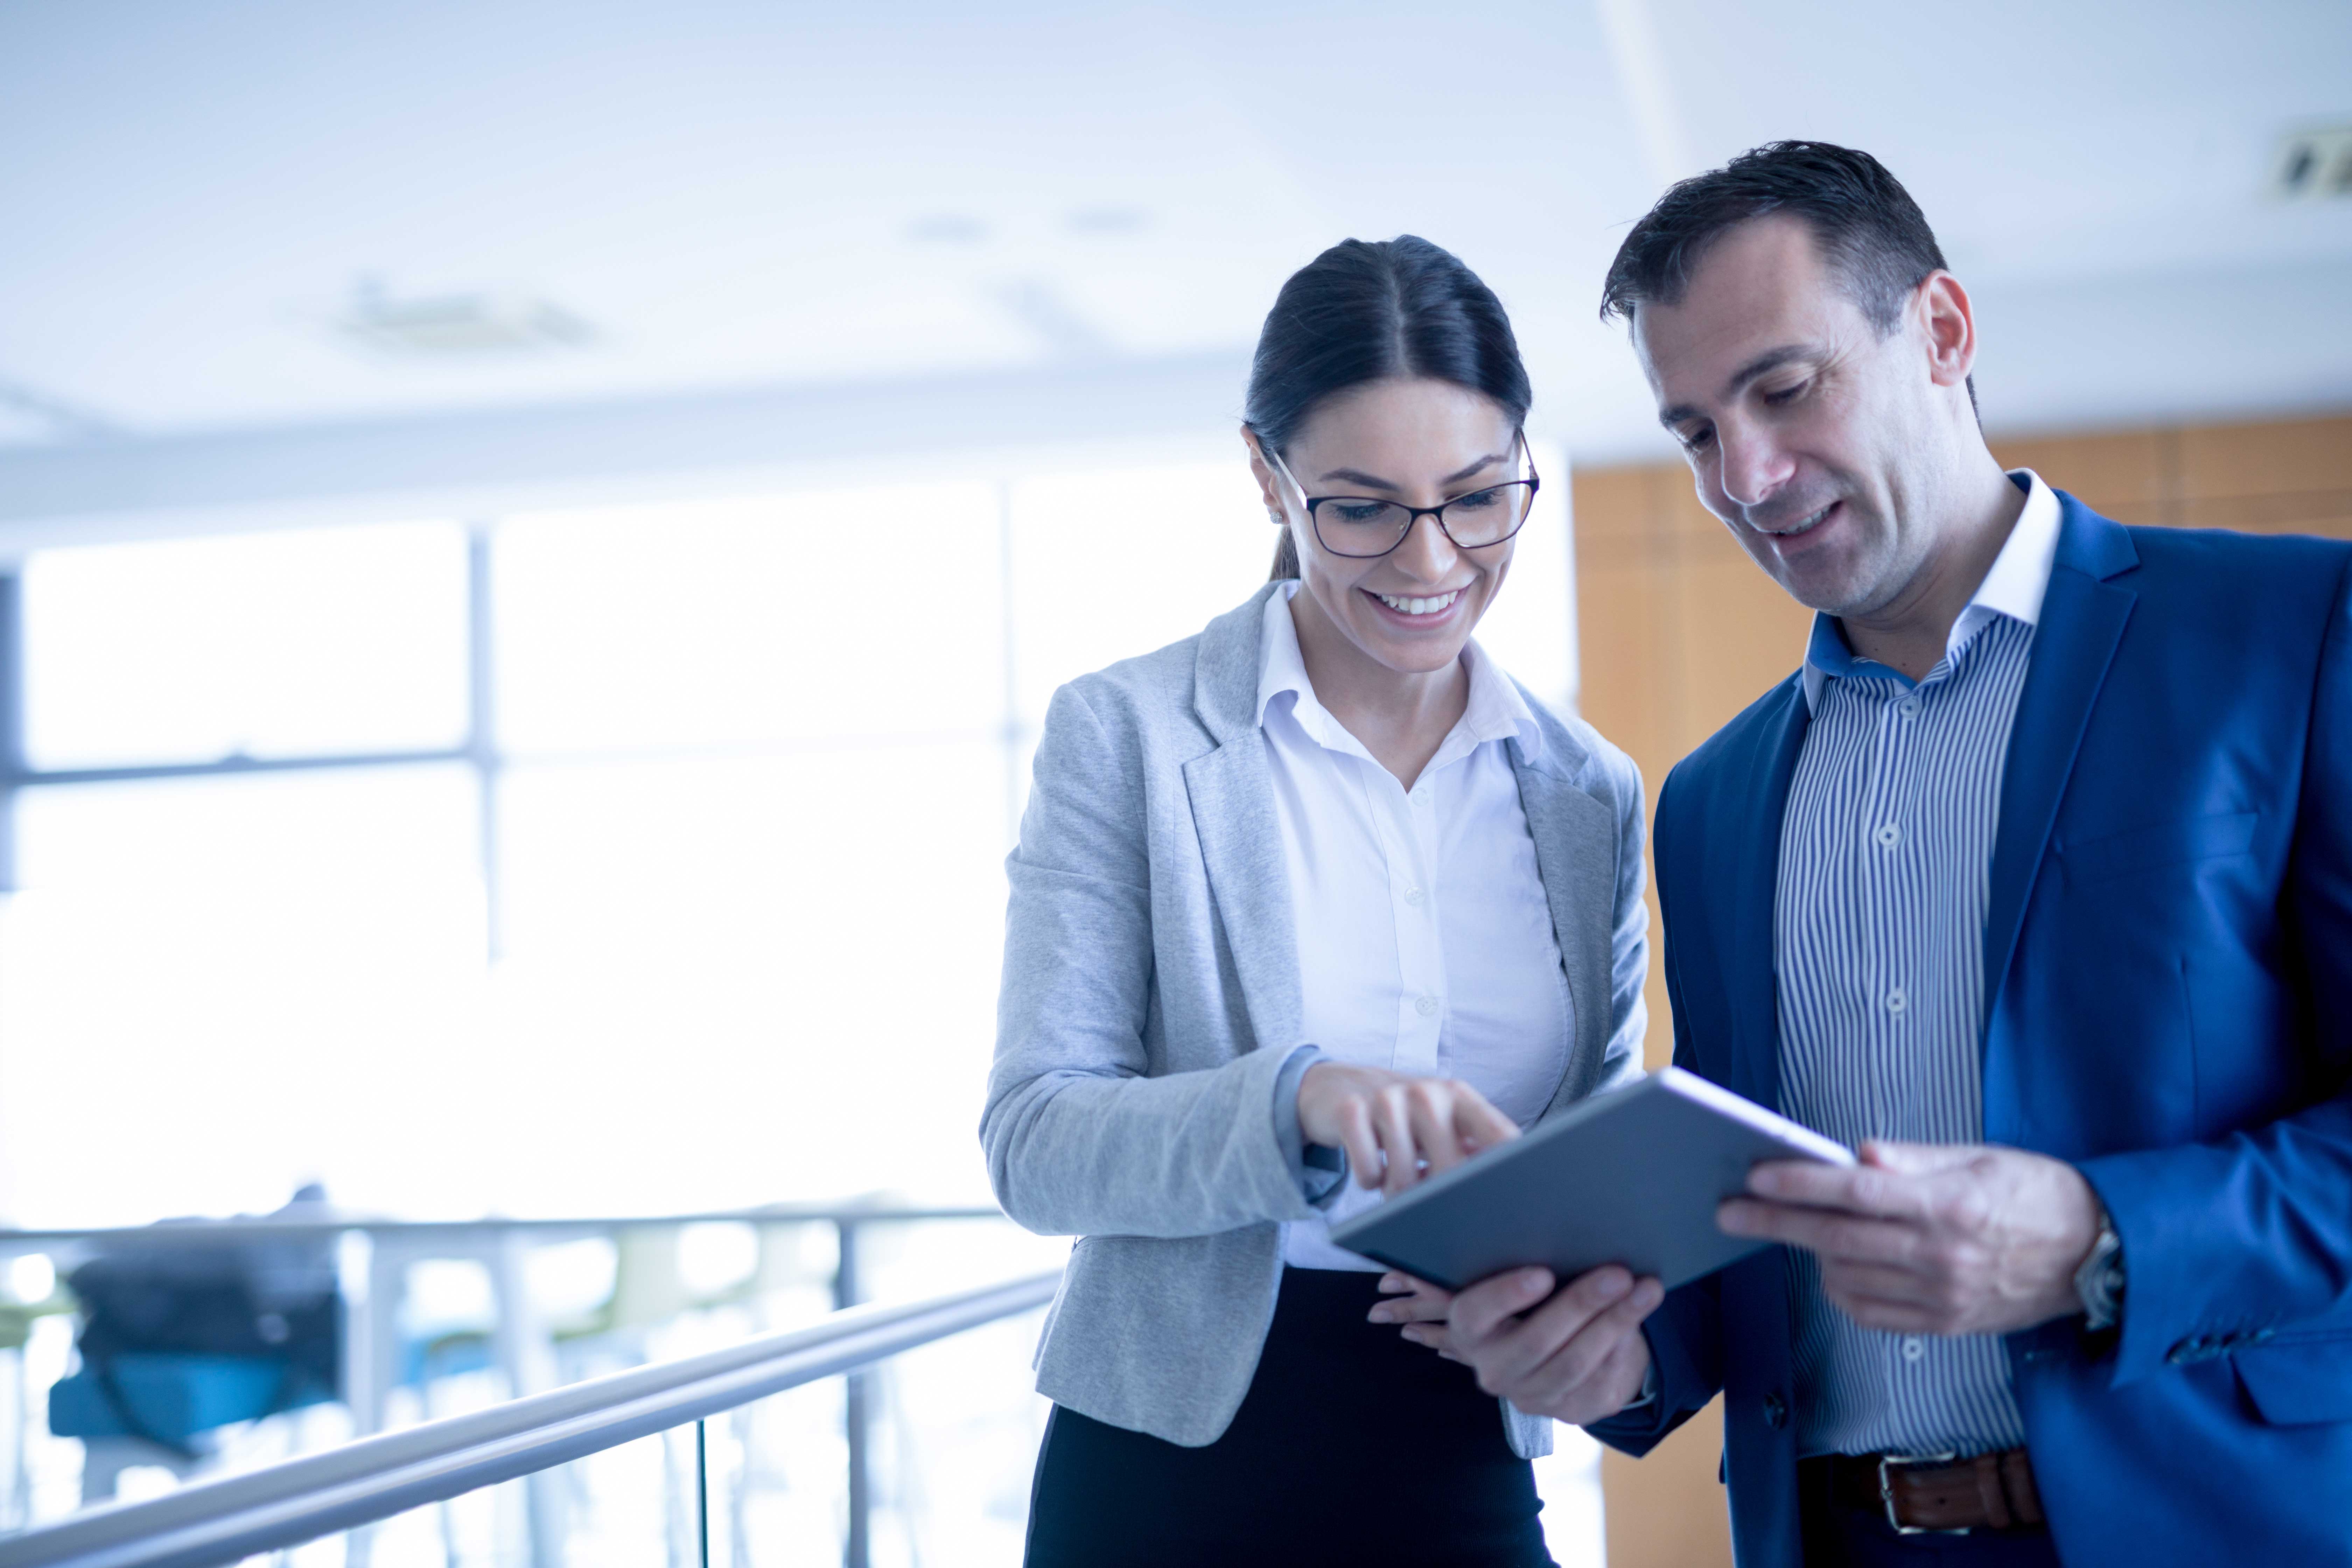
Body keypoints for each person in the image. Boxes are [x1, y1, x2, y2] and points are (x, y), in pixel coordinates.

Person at [1436, 142, 2352, 1566]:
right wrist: (1613, 1359)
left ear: (1941, 332)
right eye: (1693, 431)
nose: (1745, 474)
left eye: (1786, 389)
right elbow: (1752, 1217)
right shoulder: (1715, 799)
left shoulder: (2287, 636)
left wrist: (2102, 1232)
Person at [981, 234, 1650, 1567]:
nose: (1432, 557)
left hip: (1466, 1435)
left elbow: (1590, 1153)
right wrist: (1301, 1100)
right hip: (1171, 1457)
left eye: (1477, 496)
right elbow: (1036, 1143)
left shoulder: (1590, 793)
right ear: (1266, 479)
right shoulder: (1130, 736)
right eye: (1361, 506)